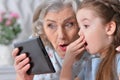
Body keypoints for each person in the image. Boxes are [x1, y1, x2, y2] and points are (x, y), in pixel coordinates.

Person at [12, 0, 83, 80]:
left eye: (69, 24)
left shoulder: (94, 56)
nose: (61, 36)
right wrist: (22, 77)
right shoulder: (39, 50)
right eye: (51, 25)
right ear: (43, 29)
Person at [60, 0, 120, 80]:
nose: (79, 33)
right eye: (79, 27)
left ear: (109, 28)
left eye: (86, 25)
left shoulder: (118, 60)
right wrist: (67, 64)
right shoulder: (89, 66)